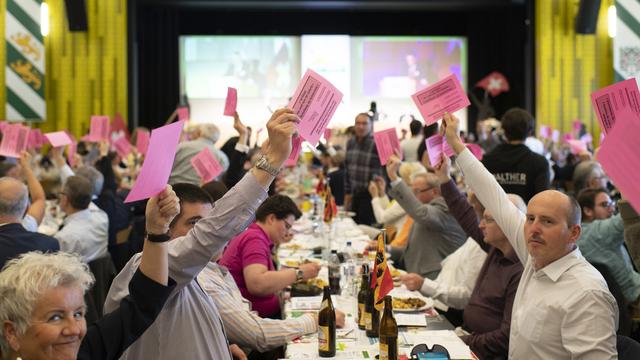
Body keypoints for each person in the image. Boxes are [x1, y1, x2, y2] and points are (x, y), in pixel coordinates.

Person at [104, 108, 300, 360]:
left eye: (206, 222)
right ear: (165, 229)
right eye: (194, 224)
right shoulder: (151, 269)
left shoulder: (203, 271)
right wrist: (271, 160)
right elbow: (212, 233)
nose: (206, 233)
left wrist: (222, 341)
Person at [443, 111, 617, 359]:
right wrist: (455, 143)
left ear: (574, 233)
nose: (534, 228)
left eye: (547, 221)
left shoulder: (586, 293)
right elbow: (494, 195)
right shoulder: (535, 255)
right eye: (530, 218)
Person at [0, 186, 179, 360]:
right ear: (12, 333)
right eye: (55, 317)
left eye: (78, 314)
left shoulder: (84, 350)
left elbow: (145, 303)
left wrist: (157, 230)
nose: (74, 330)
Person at [219, 194, 320, 318]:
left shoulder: (255, 234)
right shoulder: (254, 239)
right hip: (258, 319)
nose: (288, 232)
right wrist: (299, 273)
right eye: (286, 226)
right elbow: (258, 284)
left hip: (259, 313)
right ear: (271, 218)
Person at [385, 156, 467, 279]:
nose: (413, 196)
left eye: (416, 191)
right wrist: (387, 249)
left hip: (435, 280)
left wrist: (394, 178)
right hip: (415, 275)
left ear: (434, 192)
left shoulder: (445, 207)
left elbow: (421, 213)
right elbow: (413, 252)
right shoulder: (427, 209)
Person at [576, 188, 640, 305]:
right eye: (605, 205)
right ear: (588, 211)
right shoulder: (595, 232)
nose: (612, 209)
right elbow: (629, 216)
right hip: (634, 298)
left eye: (611, 203)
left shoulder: (582, 233)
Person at [481, 108, 550, 202]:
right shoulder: (539, 162)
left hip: (492, 216)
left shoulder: (487, 160)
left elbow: (481, 196)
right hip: (526, 216)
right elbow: (543, 200)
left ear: (504, 131)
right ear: (530, 132)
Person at [0, 177, 59, 268]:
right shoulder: (49, 245)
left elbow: (39, 200)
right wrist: (26, 166)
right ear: (27, 209)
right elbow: (39, 199)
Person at [54, 176, 109, 263]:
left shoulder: (64, 237)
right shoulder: (102, 216)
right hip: (102, 273)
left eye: (60, 194)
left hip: (78, 275)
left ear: (65, 199)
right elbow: (82, 191)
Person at [343, 112, 384, 225]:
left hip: (370, 195)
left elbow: (383, 170)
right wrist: (348, 193)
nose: (361, 126)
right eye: (358, 123)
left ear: (371, 125)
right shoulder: (350, 143)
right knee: (353, 226)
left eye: (365, 123)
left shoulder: (377, 144)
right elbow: (347, 169)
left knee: (365, 228)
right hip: (354, 194)